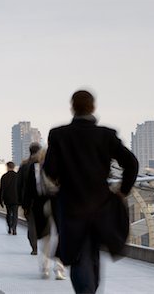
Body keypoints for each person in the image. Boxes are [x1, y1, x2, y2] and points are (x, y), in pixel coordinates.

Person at [44, 90, 138, 293]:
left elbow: (50, 169)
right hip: (100, 205)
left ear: (72, 107)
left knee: (79, 254)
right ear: (93, 107)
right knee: (92, 252)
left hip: (71, 204)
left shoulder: (59, 135)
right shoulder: (105, 135)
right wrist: (123, 190)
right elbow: (131, 163)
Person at [22, 148, 66, 280]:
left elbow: (28, 189)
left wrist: (26, 207)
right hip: (58, 204)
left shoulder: (34, 169)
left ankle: (44, 267)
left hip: (40, 206)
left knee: (44, 237)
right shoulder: (61, 168)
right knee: (59, 237)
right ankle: (59, 268)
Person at [17, 142, 41, 255]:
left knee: (31, 224)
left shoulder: (24, 166)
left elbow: (19, 185)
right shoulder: (44, 164)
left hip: (29, 201)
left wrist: (21, 202)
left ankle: (34, 247)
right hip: (44, 200)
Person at [0, 161, 19, 235]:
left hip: (7, 198)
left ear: (7, 167)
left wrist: (1, 199)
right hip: (16, 198)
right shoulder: (17, 176)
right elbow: (21, 188)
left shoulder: (4, 177)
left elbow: (2, 189)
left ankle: (9, 226)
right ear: (13, 167)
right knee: (15, 214)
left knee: (8, 213)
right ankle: (14, 228)